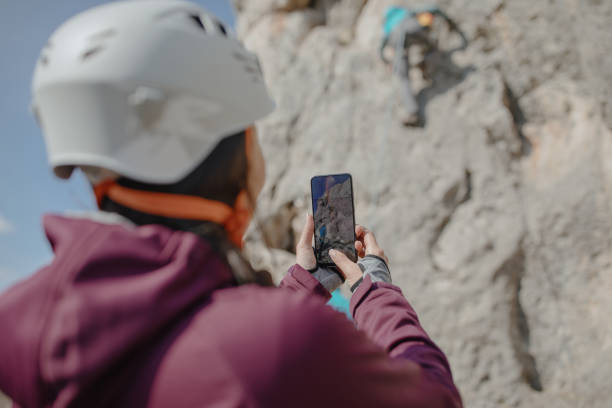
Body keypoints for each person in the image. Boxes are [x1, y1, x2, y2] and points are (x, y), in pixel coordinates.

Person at [0, 1, 462, 407]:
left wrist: (305, 284)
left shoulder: (33, 333)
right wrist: (374, 292)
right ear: (221, 141)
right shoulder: (277, 344)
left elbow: (188, 342)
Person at [380, 6, 468, 126]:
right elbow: (435, 9)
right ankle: (429, 61)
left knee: (403, 78)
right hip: (413, 29)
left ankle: (412, 111)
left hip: (395, 41)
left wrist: (387, 62)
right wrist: (453, 26)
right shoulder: (405, 13)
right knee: (431, 45)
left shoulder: (387, 27)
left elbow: (380, 50)